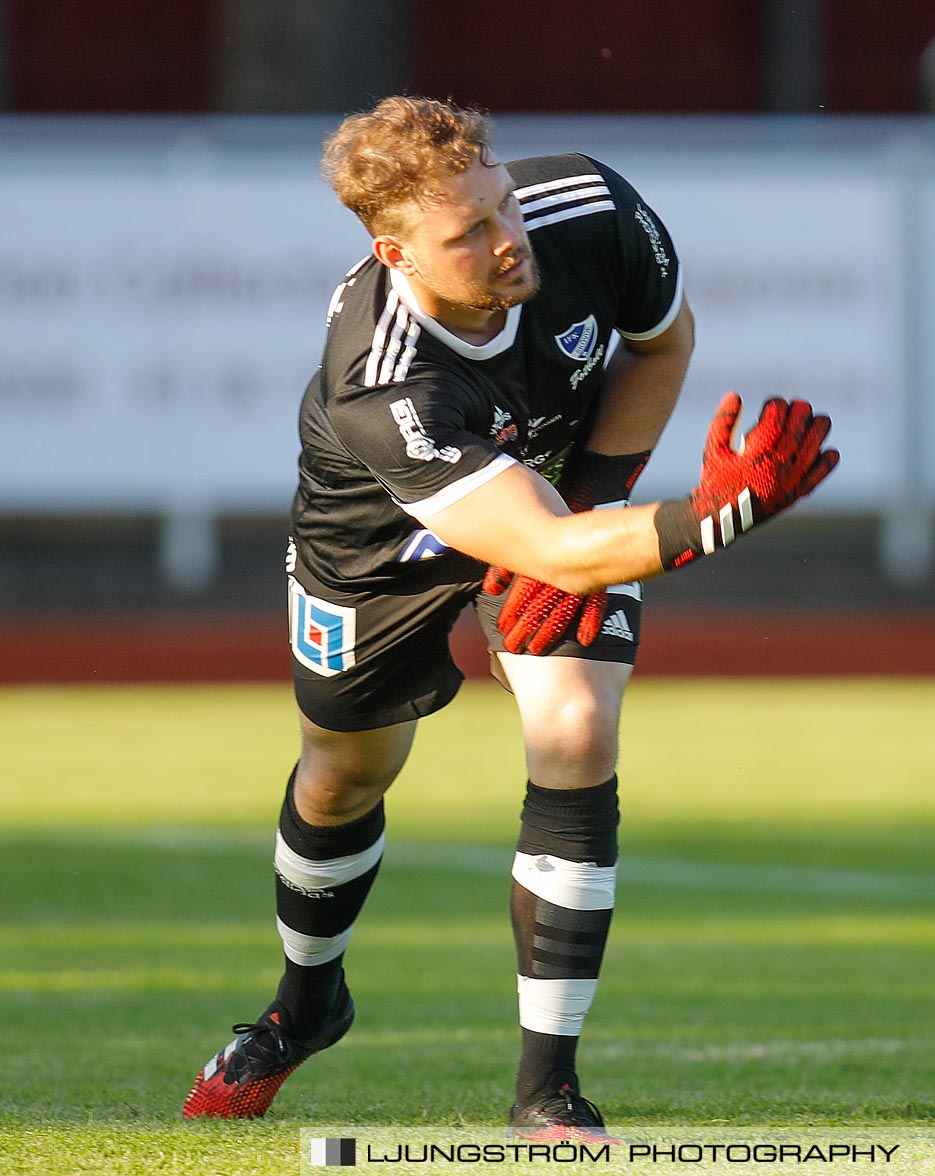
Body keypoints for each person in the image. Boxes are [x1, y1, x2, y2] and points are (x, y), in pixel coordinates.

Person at [179, 96, 837, 1143]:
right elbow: (547, 550)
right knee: (343, 772)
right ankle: (305, 1007)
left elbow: (661, 350)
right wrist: (703, 521)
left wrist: (599, 493)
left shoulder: (590, 205)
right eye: (467, 235)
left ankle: (548, 1091)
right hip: (385, 542)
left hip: (557, 495)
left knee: (576, 725)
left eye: (502, 208)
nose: (506, 241)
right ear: (396, 252)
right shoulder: (381, 379)